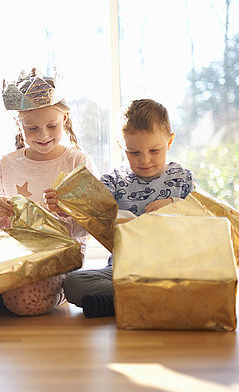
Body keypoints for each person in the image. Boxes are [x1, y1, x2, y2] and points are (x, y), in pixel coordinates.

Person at [60, 98, 195, 318]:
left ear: (169, 142)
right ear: (120, 146)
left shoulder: (182, 178)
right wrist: (65, 204)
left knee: (200, 279)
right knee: (74, 283)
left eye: (154, 150)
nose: (145, 160)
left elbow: (205, 213)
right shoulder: (113, 179)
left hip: (171, 268)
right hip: (123, 269)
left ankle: (125, 301)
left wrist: (174, 205)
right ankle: (150, 300)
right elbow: (91, 209)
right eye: (134, 152)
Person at [0, 68, 98, 316]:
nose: (43, 135)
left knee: (23, 300)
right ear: (18, 125)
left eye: (51, 125)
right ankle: (5, 291)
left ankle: (32, 292)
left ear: (64, 119)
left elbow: (94, 224)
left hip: (60, 257)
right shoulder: (6, 164)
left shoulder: (78, 162)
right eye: (32, 129)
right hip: (13, 255)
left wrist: (69, 210)